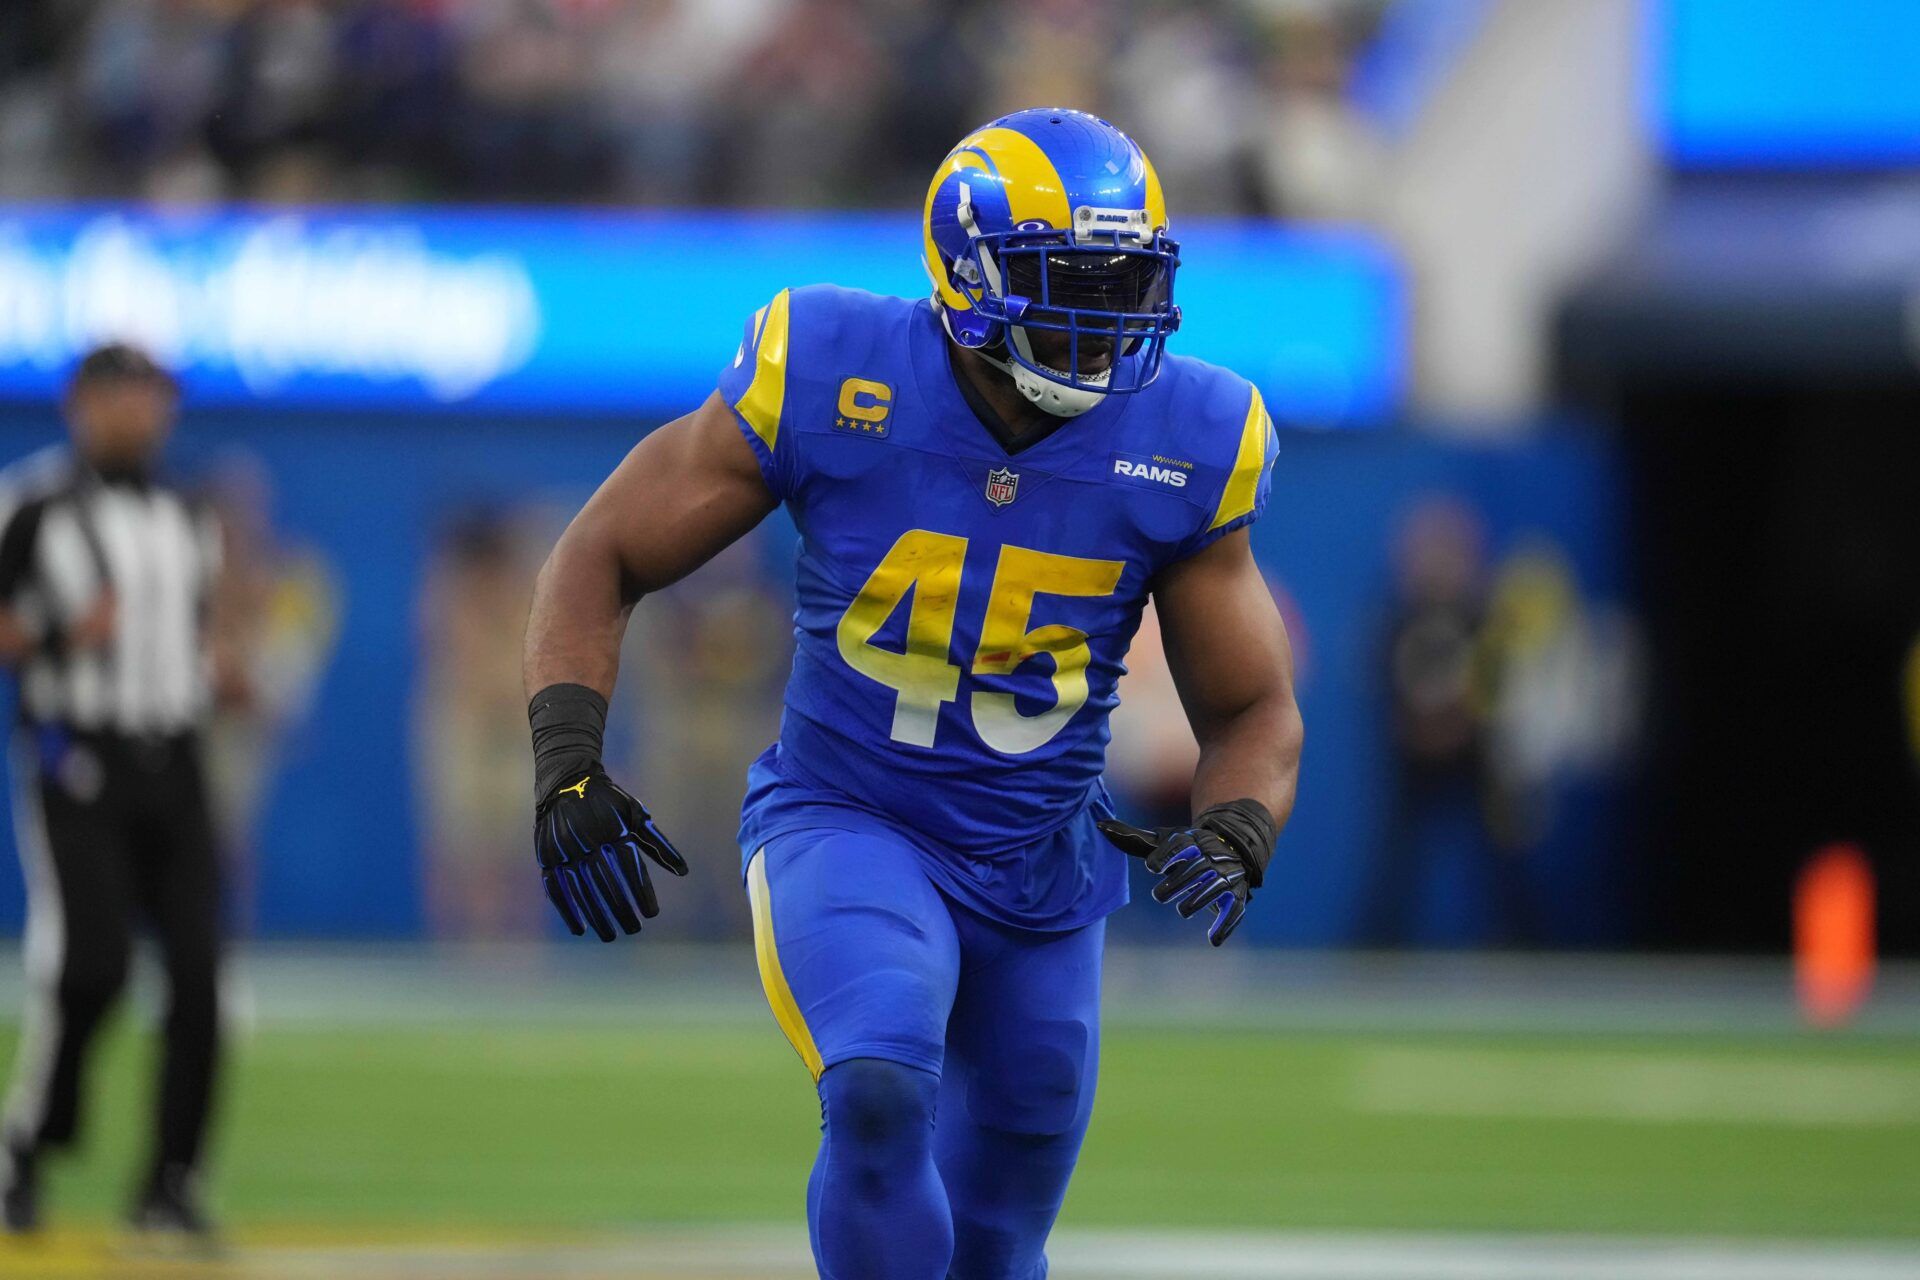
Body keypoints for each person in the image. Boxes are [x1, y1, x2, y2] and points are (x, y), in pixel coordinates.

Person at [522, 109, 1303, 1280]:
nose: (1110, 318)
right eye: (1074, 280)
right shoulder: (831, 367)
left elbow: (1251, 705)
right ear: (973, 271)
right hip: (852, 820)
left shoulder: (1192, 433)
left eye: (1129, 281)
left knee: (997, 1240)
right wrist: (567, 751)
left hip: (1043, 868)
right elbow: (604, 553)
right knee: (881, 1087)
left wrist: (1240, 819)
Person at [0, 343, 235, 1242]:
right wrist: (57, 634)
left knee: (201, 979)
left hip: (175, 757)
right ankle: (30, 1140)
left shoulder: (187, 513)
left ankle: (168, 1184)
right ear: (83, 406)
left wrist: (225, 671)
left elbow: (197, 630)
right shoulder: (31, 505)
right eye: (127, 397)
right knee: (92, 965)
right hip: (77, 757)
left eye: (154, 399)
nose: (145, 415)